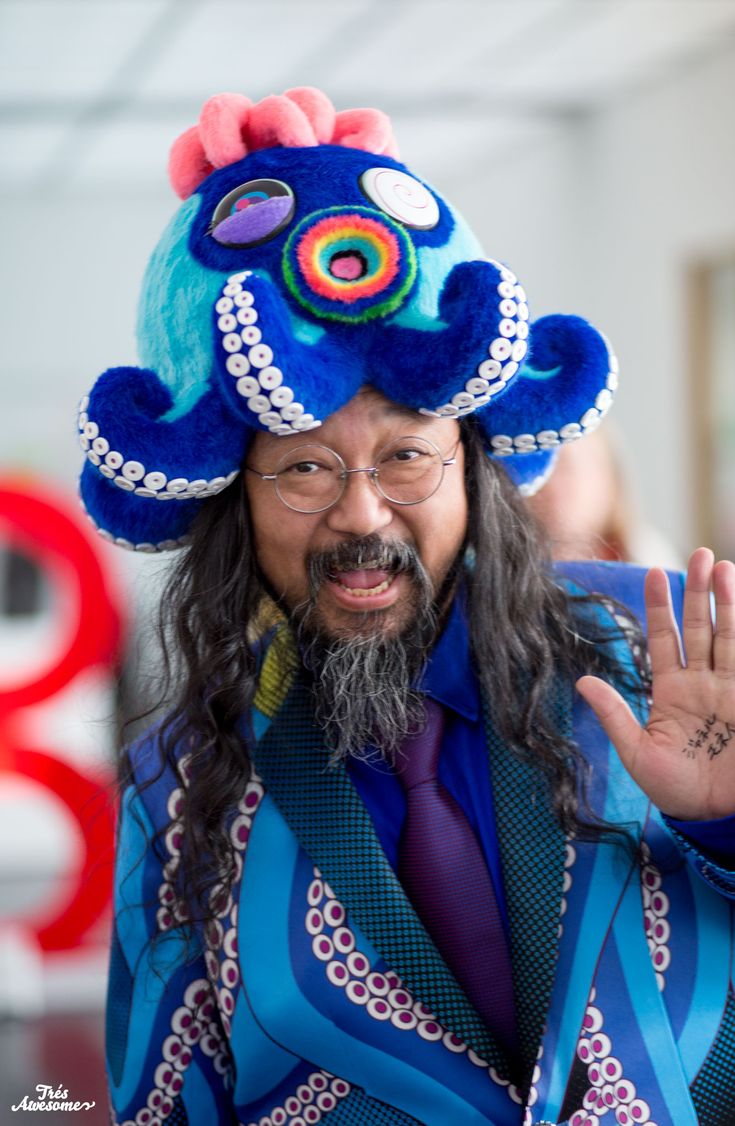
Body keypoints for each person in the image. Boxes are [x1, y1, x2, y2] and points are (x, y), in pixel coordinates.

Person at [84, 89, 735, 1126]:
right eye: (303, 466)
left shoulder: (666, 646)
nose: (360, 512)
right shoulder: (178, 795)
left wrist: (728, 826)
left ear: (474, 466)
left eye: (407, 455)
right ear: (232, 505)